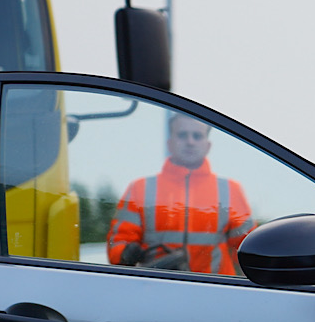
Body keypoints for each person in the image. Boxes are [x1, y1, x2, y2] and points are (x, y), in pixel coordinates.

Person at [105, 114, 255, 274]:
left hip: (214, 293)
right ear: (169, 144)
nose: (190, 141)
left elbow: (250, 251)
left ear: (208, 145)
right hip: (158, 291)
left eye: (197, 136)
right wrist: (125, 254)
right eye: (182, 135)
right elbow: (117, 246)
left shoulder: (230, 190)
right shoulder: (140, 189)